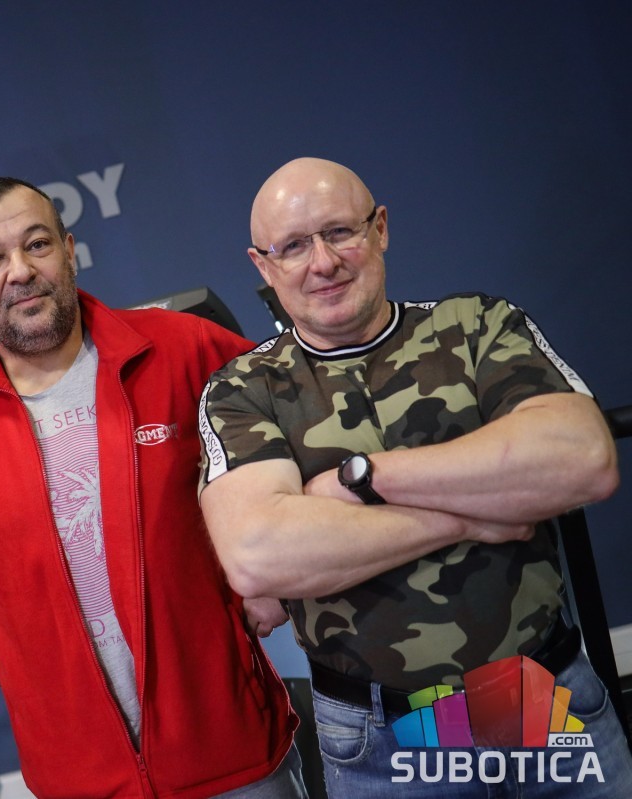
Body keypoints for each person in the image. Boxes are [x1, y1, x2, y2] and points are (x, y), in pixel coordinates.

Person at [0, 177, 304, 798]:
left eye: (37, 244)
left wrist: (283, 575)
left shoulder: (184, 349)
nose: (20, 271)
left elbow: (307, 440)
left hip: (233, 756)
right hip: (77, 780)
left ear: (69, 252)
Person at [198, 157, 632, 797]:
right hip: (382, 739)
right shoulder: (242, 390)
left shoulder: (476, 326)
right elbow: (260, 555)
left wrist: (357, 479)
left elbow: (582, 459)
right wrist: (473, 513)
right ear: (263, 266)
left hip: (541, 702)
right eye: (293, 246)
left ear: (379, 228)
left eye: (339, 232)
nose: (323, 262)